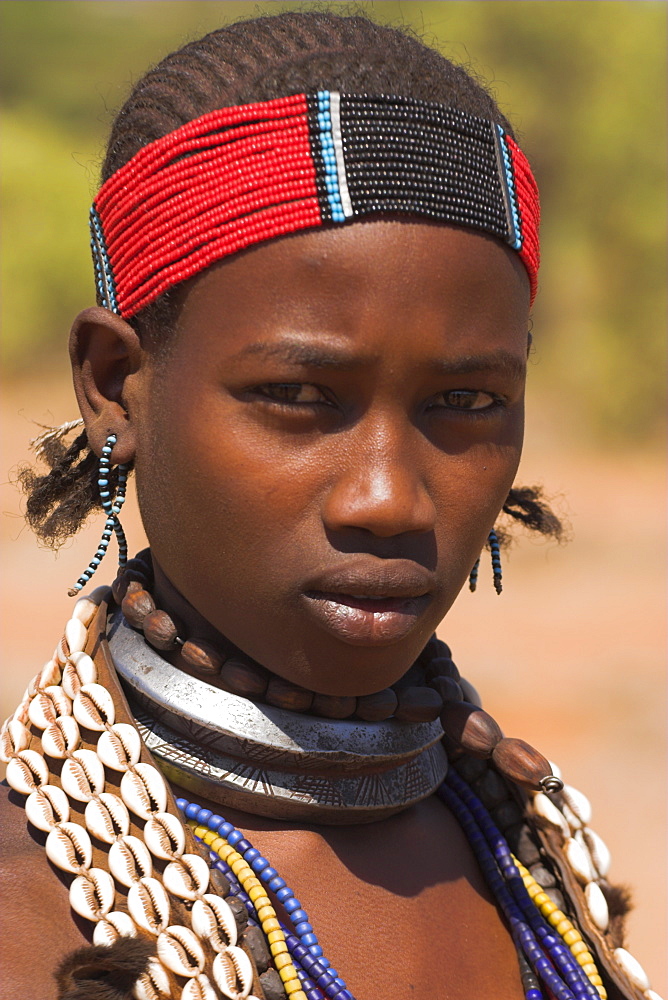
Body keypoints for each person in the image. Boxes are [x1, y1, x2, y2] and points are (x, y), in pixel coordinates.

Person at [0, 11, 661, 1000]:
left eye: (466, 403)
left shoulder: (529, 862)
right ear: (113, 384)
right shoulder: (25, 921)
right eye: (301, 398)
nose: (388, 498)